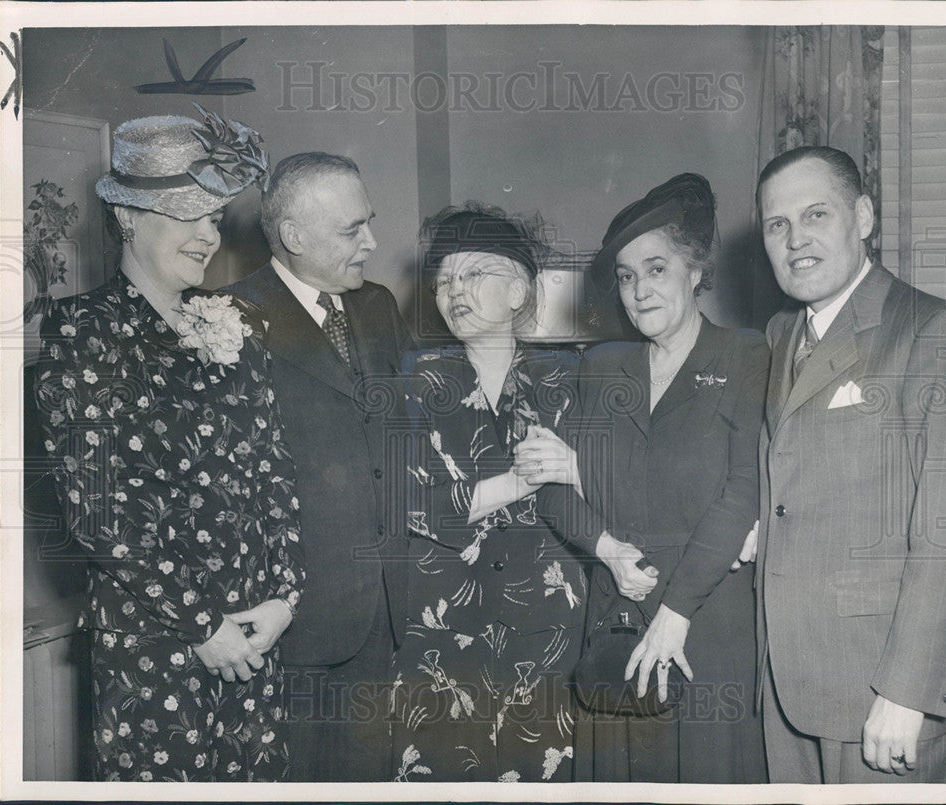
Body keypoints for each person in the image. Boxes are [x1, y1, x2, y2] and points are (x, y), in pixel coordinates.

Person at [34, 109, 306, 781]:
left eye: (213, 217)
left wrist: (283, 599)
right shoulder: (82, 330)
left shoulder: (237, 323)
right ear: (128, 216)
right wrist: (204, 624)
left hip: (254, 637)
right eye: (187, 215)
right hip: (157, 647)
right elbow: (97, 511)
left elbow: (275, 472)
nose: (207, 236)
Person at [514, 174, 768, 782]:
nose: (639, 290)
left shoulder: (745, 355)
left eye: (656, 270)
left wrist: (676, 611)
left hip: (707, 616)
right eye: (626, 277)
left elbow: (742, 492)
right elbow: (551, 484)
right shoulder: (602, 368)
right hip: (619, 612)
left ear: (697, 271)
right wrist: (607, 547)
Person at [754, 146, 946, 783]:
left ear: (865, 217)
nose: (796, 240)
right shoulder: (779, 335)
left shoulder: (933, 329)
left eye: (815, 214)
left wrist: (909, 691)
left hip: (881, 689)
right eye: (777, 224)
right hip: (786, 679)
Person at [225, 152, 413, 781]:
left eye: (371, 223)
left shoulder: (380, 307)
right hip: (293, 626)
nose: (373, 243)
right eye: (352, 230)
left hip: (389, 615)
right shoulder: (226, 320)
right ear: (294, 237)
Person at [389, 204, 587, 783]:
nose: (455, 291)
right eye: (445, 279)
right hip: (443, 634)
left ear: (520, 289)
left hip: (551, 634)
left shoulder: (573, 377)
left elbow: (612, 485)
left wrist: (577, 469)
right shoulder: (412, 379)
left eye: (475, 274)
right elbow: (417, 506)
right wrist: (524, 479)